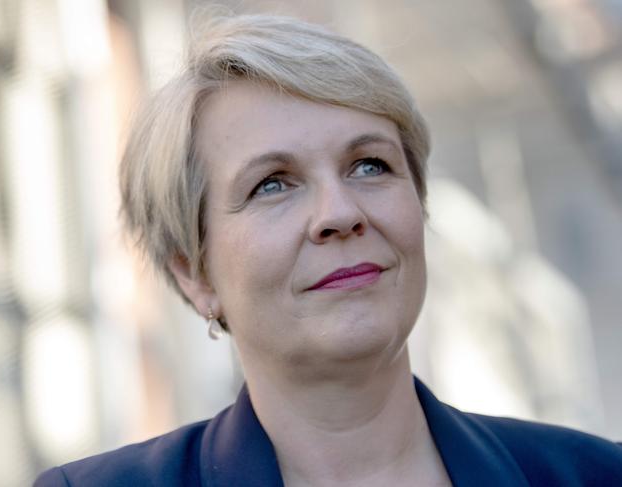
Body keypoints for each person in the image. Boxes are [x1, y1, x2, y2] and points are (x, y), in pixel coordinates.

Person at [34, 14, 622, 487]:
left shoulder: (595, 475)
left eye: (370, 165)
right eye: (273, 183)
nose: (340, 214)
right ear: (195, 273)